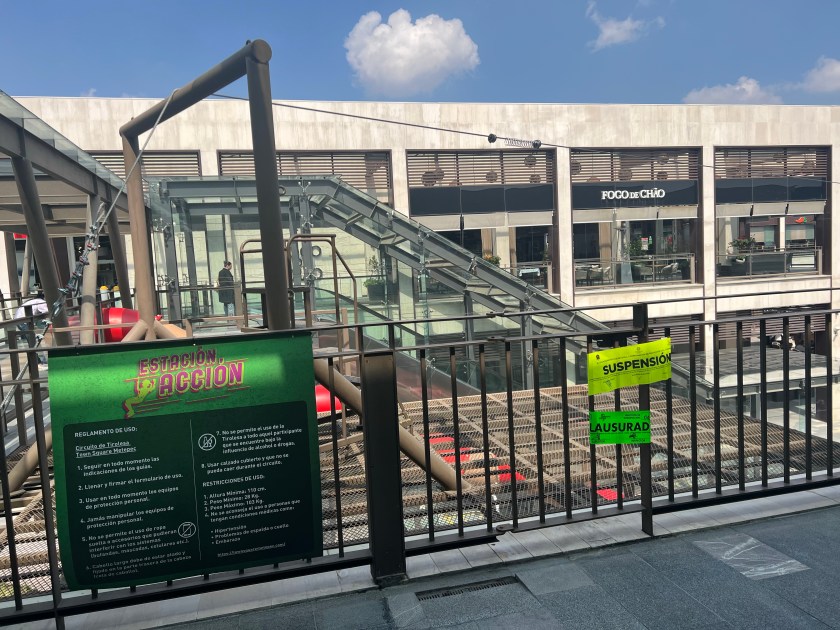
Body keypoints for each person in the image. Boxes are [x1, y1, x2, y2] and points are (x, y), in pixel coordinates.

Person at [14, 292, 49, 365]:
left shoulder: (33, 301)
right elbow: (47, 312)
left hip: (18, 320)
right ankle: (39, 361)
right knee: (34, 341)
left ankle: (36, 361)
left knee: (31, 341)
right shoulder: (41, 301)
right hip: (24, 321)